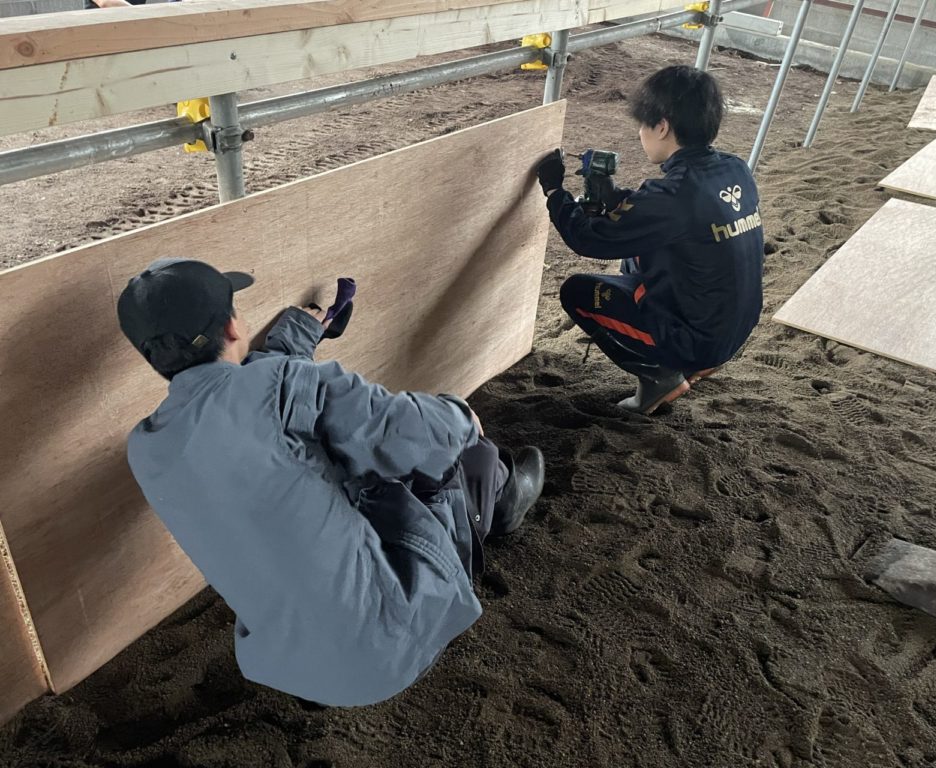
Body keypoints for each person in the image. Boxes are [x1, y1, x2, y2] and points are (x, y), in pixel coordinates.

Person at [116, 258, 544, 706]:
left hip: (293, 668)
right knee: (459, 453)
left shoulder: (146, 447)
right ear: (233, 329)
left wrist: (297, 337)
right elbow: (414, 436)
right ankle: (502, 502)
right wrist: (458, 412)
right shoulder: (280, 383)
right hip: (388, 649)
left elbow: (240, 404)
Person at [535, 65, 764, 415]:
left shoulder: (675, 195)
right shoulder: (734, 169)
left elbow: (588, 240)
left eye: (644, 124)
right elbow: (666, 219)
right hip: (734, 326)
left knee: (578, 292)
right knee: (640, 254)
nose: (641, 133)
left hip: (701, 340)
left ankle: (661, 375)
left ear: (662, 126)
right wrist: (614, 198)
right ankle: (692, 356)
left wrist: (554, 191)